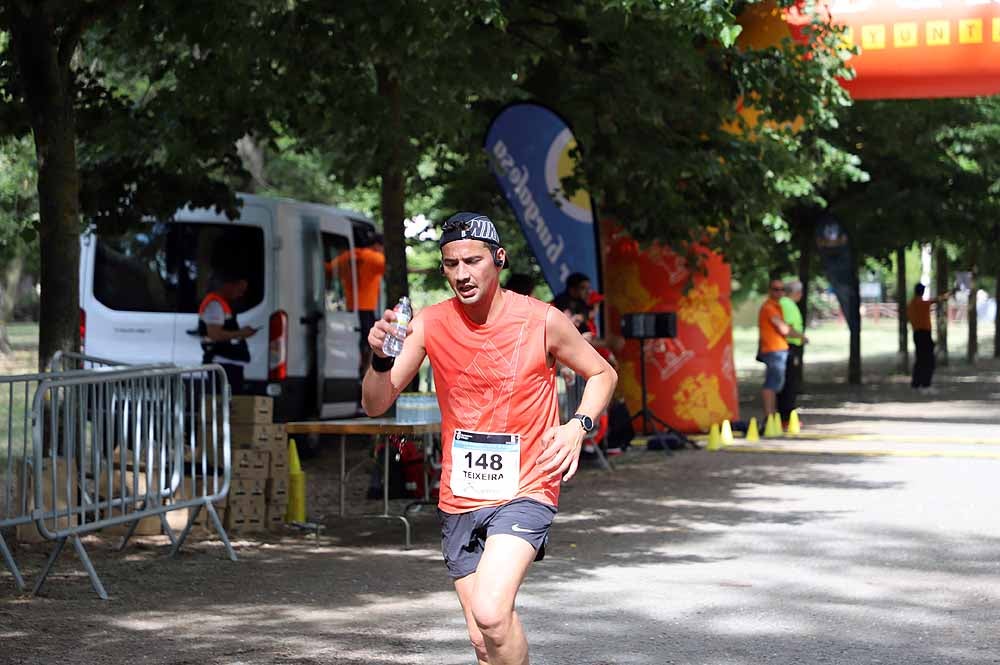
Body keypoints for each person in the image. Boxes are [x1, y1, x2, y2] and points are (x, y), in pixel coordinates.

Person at [362, 212, 617, 665]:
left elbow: (602, 373)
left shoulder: (541, 319)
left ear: (498, 259)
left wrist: (578, 425)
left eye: (473, 261)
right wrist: (380, 360)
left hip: (528, 485)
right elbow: (376, 403)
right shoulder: (429, 323)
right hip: (461, 493)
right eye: (451, 264)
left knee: (492, 612)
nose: (462, 274)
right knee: (483, 639)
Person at [330, 231, 386, 372]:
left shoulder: (348, 256)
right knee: (371, 342)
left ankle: (354, 368)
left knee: (354, 341)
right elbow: (390, 268)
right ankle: (366, 370)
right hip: (366, 308)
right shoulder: (376, 258)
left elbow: (329, 269)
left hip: (349, 307)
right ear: (377, 245)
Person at [197, 270, 257, 393]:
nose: (241, 294)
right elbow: (215, 334)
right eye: (239, 290)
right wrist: (242, 333)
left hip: (228, 363)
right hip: (222, 363)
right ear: (229, 285)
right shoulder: (214, 304)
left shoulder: (222, 303)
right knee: (226, 404)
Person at [757, 278, 793, 420]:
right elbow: (783, 329)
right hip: (773, 350)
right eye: (775, 289)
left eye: (781, 289)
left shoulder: (777, 307)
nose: (779, 292)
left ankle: (772, 414)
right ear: (769, 291)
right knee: (772, 383)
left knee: (776, 383)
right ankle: (769, 415)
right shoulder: (769, 308)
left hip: (778, 350)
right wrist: (797, 334)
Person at [777, 280, 808, 422]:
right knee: (789, 382)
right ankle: (786, 416)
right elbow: (787, 328)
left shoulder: (785, 303)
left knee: (788, 381)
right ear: (797, 293)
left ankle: (785, 414)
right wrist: (802, 337)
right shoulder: (788, 305)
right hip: (789, 346)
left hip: (789, 346)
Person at [907, 283, 948, 391]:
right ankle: (926, 384)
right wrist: (948, 294)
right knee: (929, 360)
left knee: (920, 359)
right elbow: (936, 300)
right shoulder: (921, 303)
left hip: (916, 333)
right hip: (924, 334)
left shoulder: (911, 304)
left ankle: (916, 384)